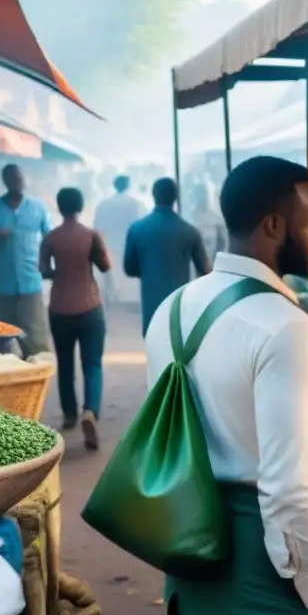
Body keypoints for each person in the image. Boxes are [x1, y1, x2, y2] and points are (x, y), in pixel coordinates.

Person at [148, 155, 308, 615]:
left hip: (190, 545)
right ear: (273, 226)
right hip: (264, 562)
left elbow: (173, 442)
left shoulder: (170, 309)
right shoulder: (285, 328)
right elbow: (289, 486)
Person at [39, 187, 111, 449]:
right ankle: (90, 410)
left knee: (66, 363)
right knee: (92, 364)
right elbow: (105, 265)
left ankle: (70, 414)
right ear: (80, 206)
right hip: (90, 306)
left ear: (60, 207)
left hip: (59, 308)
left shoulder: (50, 237)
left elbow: (44, 270)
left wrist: (60, 270)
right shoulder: (91, 235)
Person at [0, 164, 52, 356]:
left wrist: (47, 267)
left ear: (26, 180)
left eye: (20, 178)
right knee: (2, 336)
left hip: (30, 281)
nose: (18, 182)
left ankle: (37, 375)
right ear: (5, 181)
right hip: (2, 284)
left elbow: (49, 239)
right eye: (13, 178)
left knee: (36, 337)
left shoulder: (38, 207)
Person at [124, 177, 211, 335]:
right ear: (176, 197)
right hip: (179, 308)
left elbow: (129, 269)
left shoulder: (137, 229)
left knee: (155, 350)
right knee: (177, 352)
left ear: (153, 195)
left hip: (151, 308)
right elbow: (205, 269)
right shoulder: (189, 231)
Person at [92, 174, 144, 307]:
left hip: (109, 244)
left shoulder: (103, 205)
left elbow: (97, 227)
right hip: (128, 244)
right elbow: (139, 225)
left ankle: (112, 300)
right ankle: (129, 302)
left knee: (111, 274)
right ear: (128, 186)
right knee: (129, 279)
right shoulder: (135, 203)